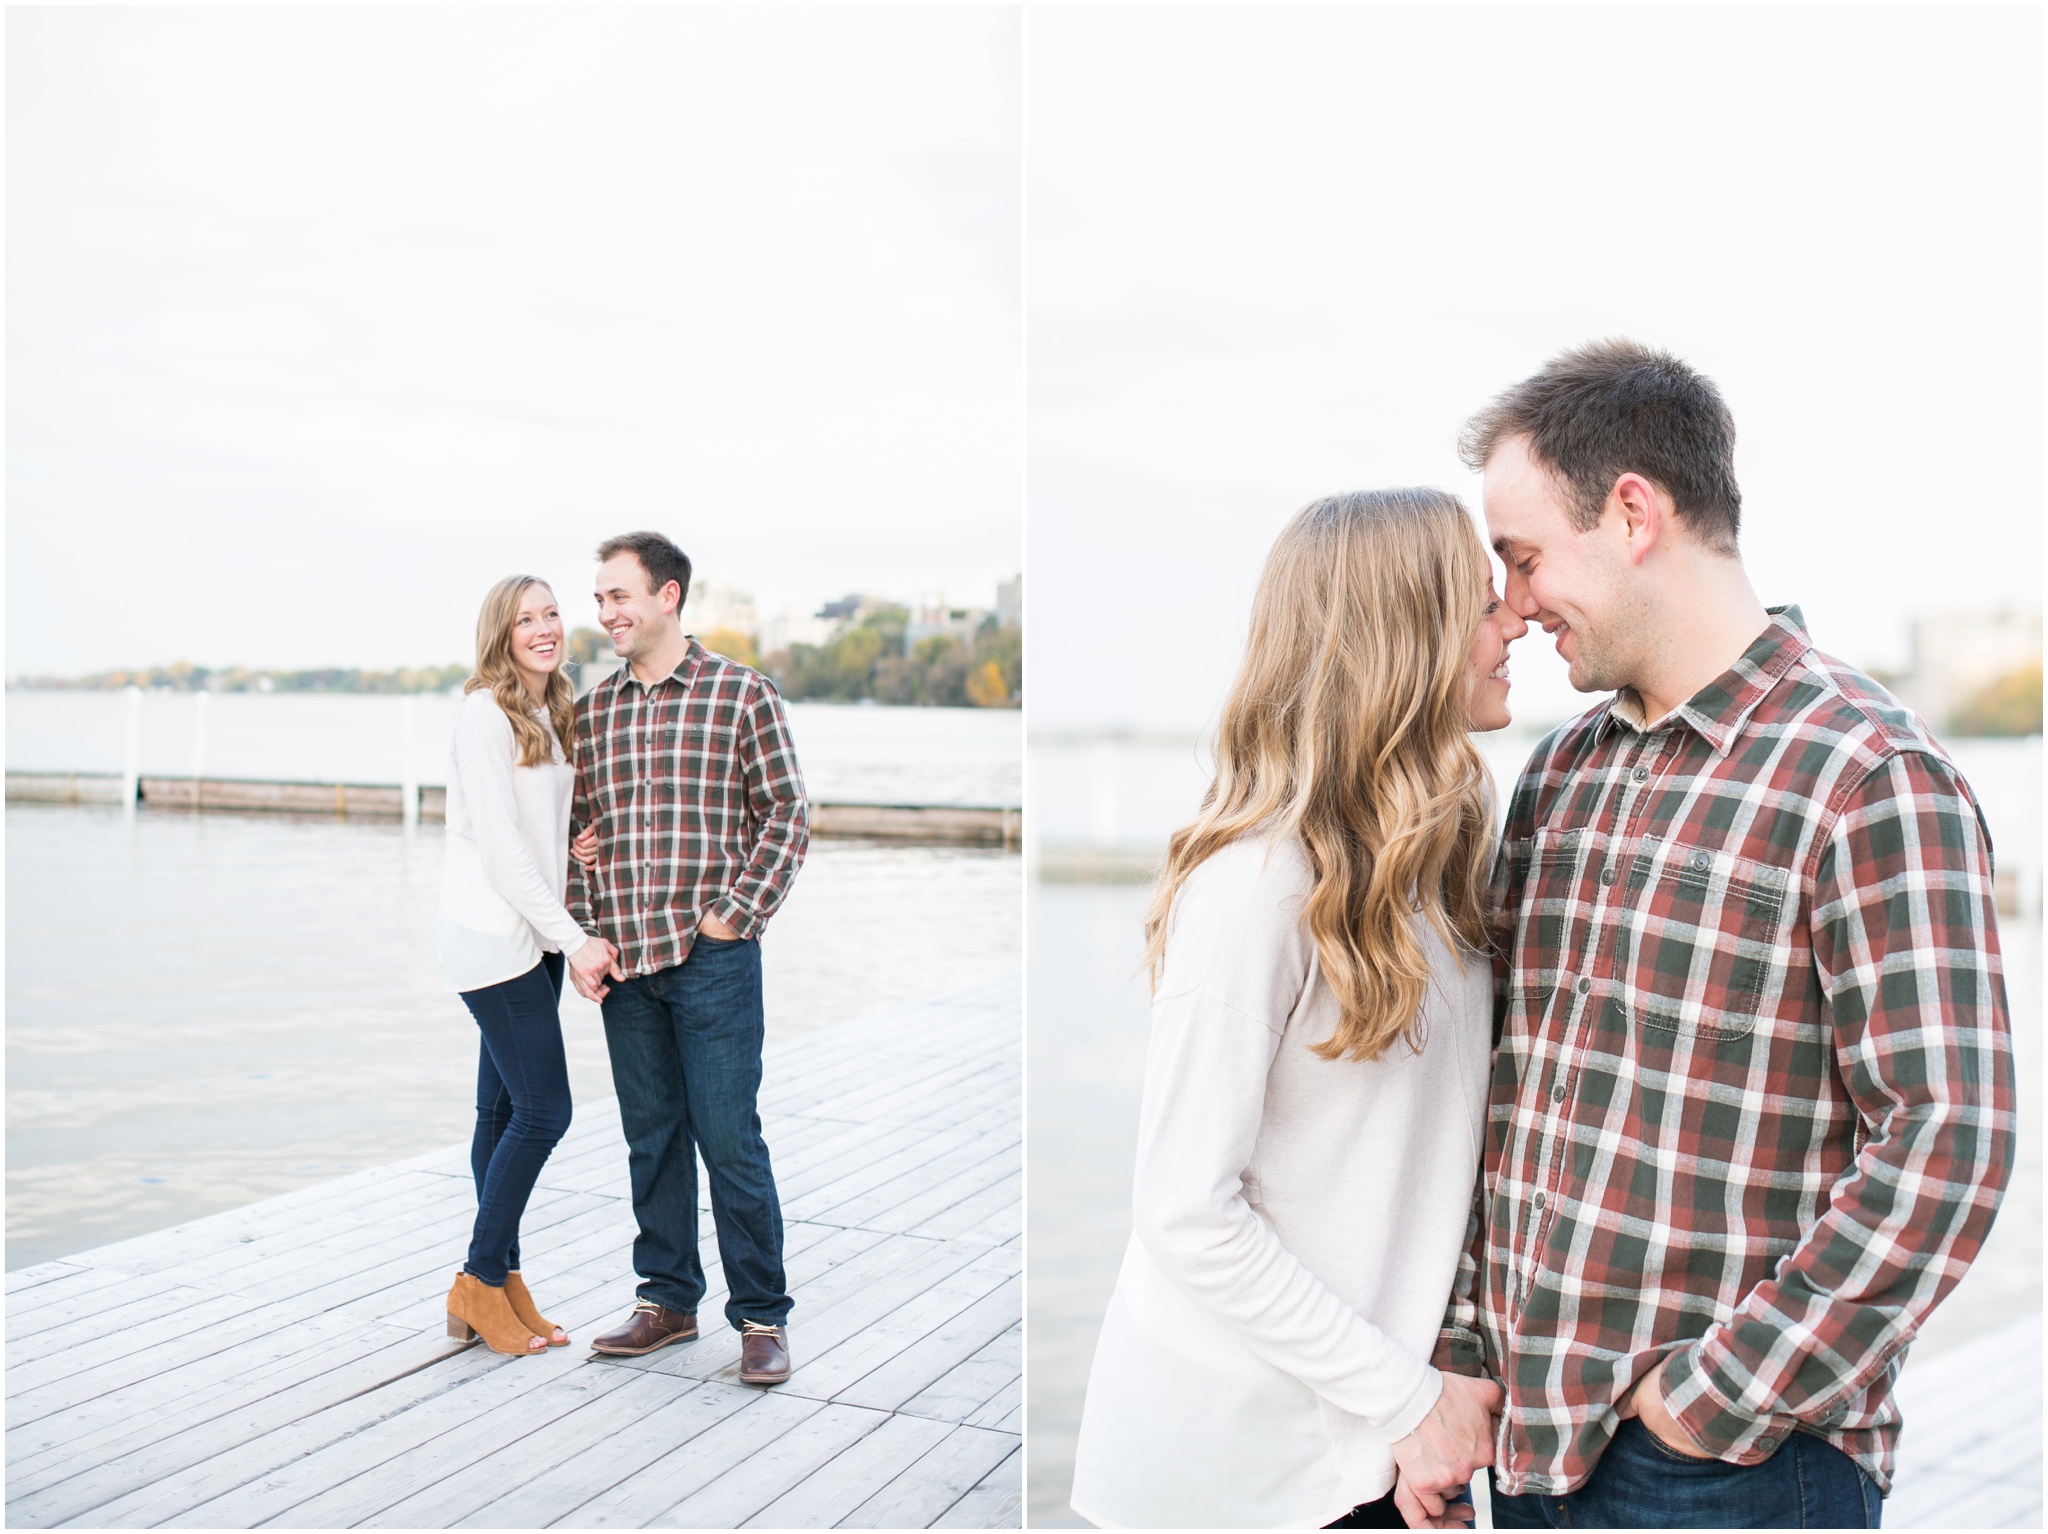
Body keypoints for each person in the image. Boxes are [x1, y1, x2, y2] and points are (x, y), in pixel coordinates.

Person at [1449, 340, 2015, 1528]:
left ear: (1633, 512)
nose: (1509, 604)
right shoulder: (1557, 774)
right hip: (1531, 1452)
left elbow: (1945, 1139)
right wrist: (1465, 1345)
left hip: (1731, 1474)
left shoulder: (1865, 774)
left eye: (1524, 557)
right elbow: (1496, 1097)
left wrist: (1715, 1398)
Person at [1070, 490, 1526, 1530]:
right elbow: (1186, 1210)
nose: (1513, 623)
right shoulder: (1257, 881)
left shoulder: (1446, 851)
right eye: (1478, 601)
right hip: (1227, 1476)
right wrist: (1406, 1404)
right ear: (1402, 634)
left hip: (1365, 1449)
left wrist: (1406, 1418)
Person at [565, 531, 810, 1386]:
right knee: (651, 1139)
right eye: (599, 599)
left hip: (711, 961)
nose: (606, 614)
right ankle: (667, 1301)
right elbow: (573, 838)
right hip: (628, 965)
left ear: (668, 596)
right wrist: (583, 931)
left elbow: (787, 816)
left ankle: (761, 1316)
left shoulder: (743, 695)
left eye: (619, 596)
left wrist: (732, 920)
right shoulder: (591, 713)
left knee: (730, 1138)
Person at [438, 575, 620, 1356]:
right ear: (501, 633)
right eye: (525, 620)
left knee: (504, 1114)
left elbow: (533, 826)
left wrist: (572, 842)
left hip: (532, 936)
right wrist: (578, 937)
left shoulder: (551, 708)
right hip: (494, 938)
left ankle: (503, 1284)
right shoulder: (484, 713)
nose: (544, 629)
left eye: (551, 615)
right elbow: (501, 850)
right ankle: (480, 1279)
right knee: (547, 1111)